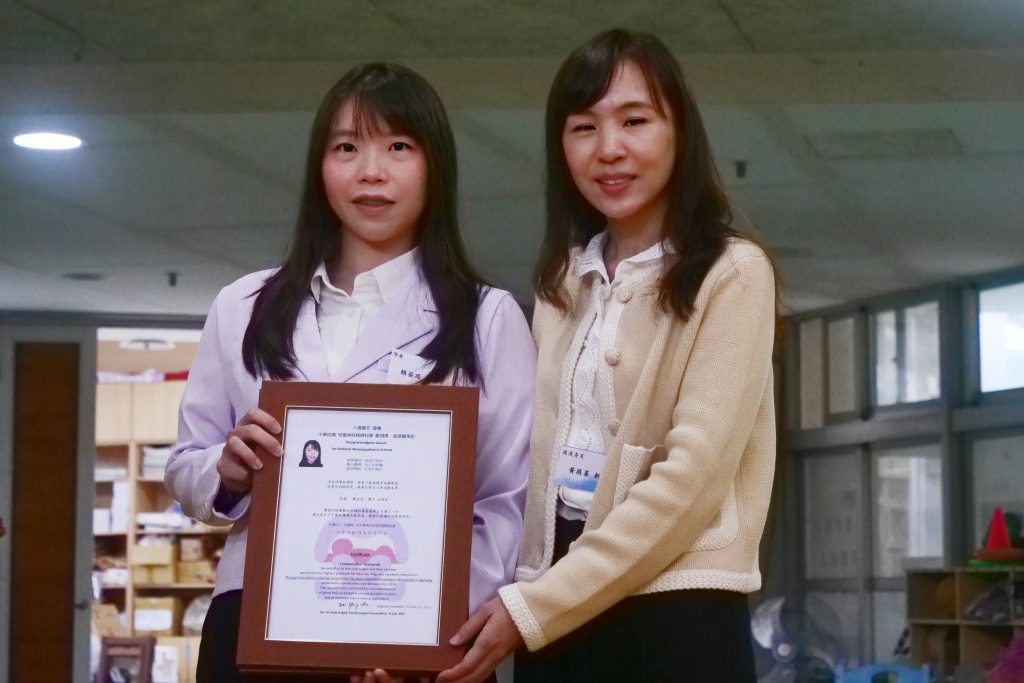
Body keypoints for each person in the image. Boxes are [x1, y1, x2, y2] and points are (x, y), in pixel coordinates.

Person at [165, 62, 536, 683]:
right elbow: (184, 466)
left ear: (435, 167)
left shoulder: (487, 318)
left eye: (398, 147)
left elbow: (507, 500)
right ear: (320, 167)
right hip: (258, 624)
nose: (371, 171)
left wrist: (431, 627)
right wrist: (225, 471)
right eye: (346, 148)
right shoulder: (243, 306)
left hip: (419, 632)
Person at [437, 29, 778, 683]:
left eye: (635, 121)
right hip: (552, 604)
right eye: (583, 127)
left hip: (676, 605)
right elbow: (520, 458)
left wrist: (538, 606)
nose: (609, 148)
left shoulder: (733, 273)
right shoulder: (562, 281)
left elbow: (691, 480)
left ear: (680, 132)